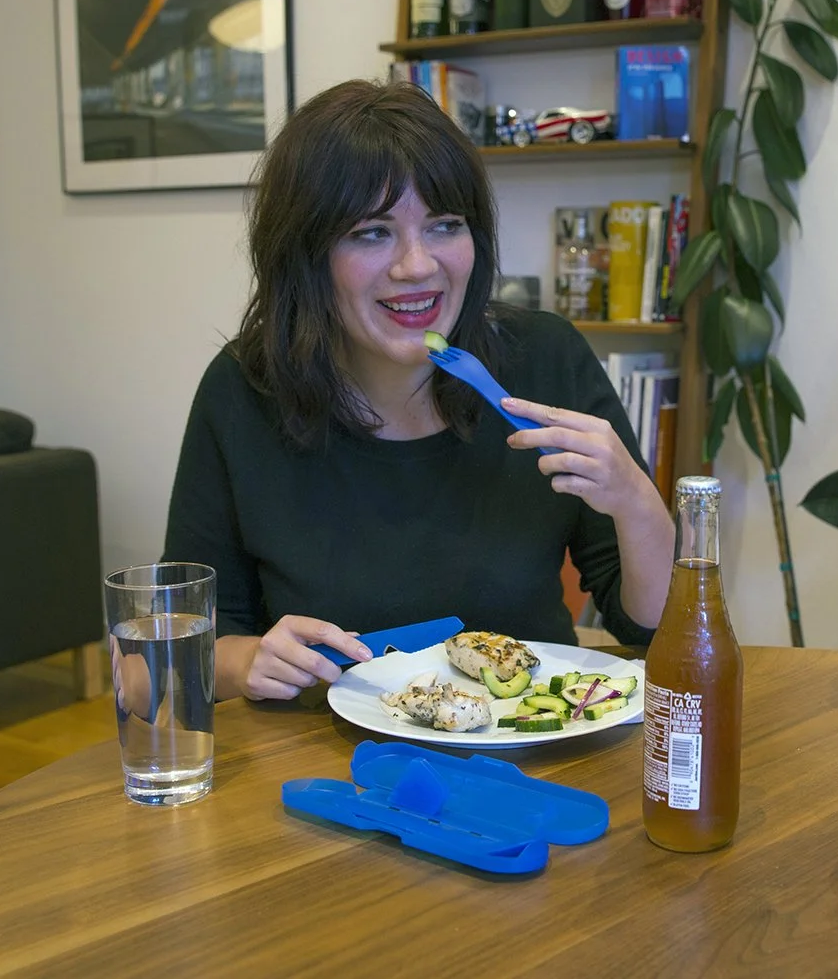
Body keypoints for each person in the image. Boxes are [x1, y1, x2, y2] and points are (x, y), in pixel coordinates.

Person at [163, 79, 674, 704]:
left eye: (444, 225)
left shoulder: (543, 360)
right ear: (305, 253)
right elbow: (174, 650)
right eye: (371, 232)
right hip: (324, 768)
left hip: (531, 757)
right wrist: (247, 662)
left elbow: (649, 626)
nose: (417, 266)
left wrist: (635, 501)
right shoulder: (243, 390)